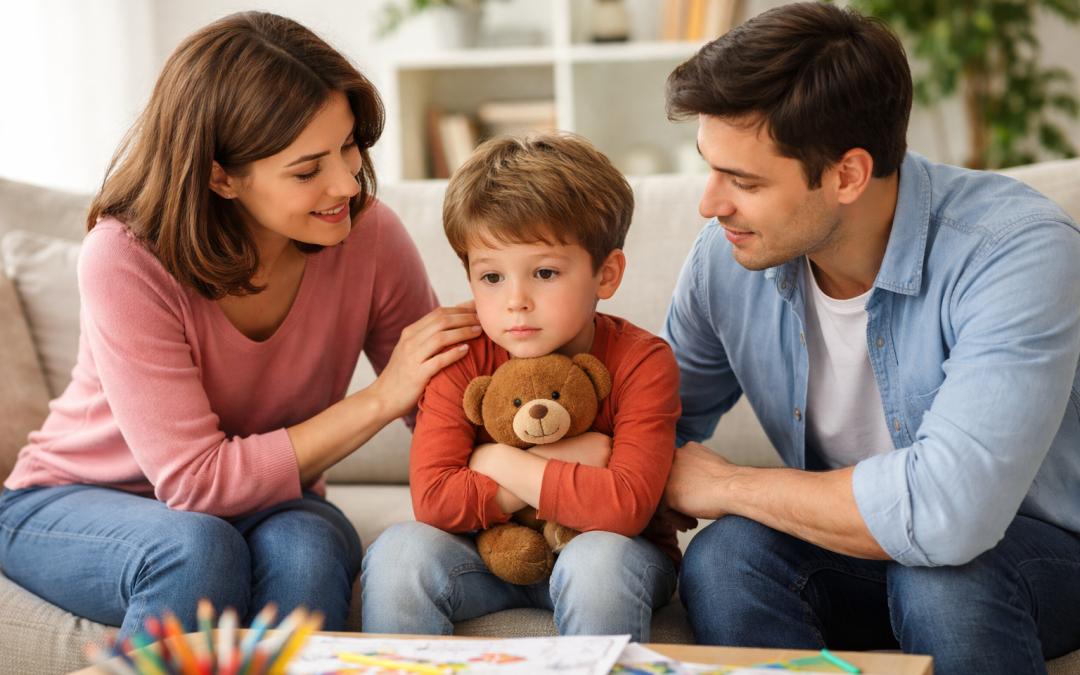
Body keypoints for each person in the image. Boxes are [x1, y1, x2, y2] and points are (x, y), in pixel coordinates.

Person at [0, 12, 481, 641]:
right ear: (219, 175)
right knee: (195, 548)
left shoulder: (369, 235)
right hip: (72, 499)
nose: (346, 182)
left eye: (347, 146)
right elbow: (195, 483)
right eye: (307, 170)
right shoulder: (126, 256)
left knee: (309, 547)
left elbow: (446, 411)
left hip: (270, 502)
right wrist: (382, 398)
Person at [657, 3, 1080, 673]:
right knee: (726, 558)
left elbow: (951, 513)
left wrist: (731, 486)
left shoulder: (1014, 250)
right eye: (710, 167)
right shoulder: (726, 260)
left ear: (849, 175)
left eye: (743, 181)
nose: (710, 204)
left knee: (944, 575)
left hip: (1041, 550)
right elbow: (649, 422)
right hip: (852, 548)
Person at [360, 133, 683, 641]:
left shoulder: (642, 360)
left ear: (607, 274)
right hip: (489, 557)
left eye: (545, 272)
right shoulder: (460, 355)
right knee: (400, 551)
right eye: (491, 278)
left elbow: (625, 507)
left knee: (595, 562)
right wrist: (563, 458)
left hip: (615, 554)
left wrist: (489, 462)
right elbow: (436, 502)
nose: (516, 301)